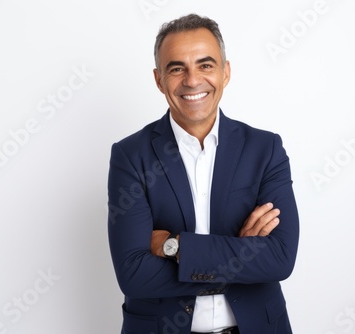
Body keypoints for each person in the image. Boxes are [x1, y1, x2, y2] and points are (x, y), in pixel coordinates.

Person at [108, 13, 299, 334]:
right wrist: (240, 258)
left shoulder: (265, 149)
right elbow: (134, 275)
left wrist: (174, 246)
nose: (193, 80)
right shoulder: (131, 155)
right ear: (159, 80)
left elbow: (280, 259)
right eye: (177, 68)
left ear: (226, 73)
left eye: (206, 65)